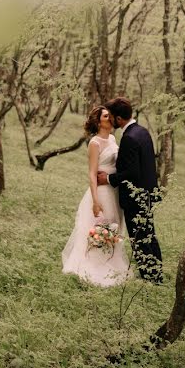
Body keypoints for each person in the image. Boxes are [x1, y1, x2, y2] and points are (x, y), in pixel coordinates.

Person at [61, 106, 131, 286]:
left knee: (113, 228)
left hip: (114, 191)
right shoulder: (95, 143)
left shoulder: (114, 138)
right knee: (99, 227)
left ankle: (111, 264)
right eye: (106, 116)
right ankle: (94, 267)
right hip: (101, 193)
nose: (110, 118)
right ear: (99, 121)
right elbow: (92, 174)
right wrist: (95, 201)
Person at [97, 97, 164, 283]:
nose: (109, 120)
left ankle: (150, 279)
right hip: (148, 194)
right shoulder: (142, 132)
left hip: (136, 197)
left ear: (119, 119)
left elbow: (131, 173)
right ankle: (156, 275)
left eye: (111, 117)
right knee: (149, 235)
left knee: (139, 238)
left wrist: (109, 178)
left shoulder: (129, 138)